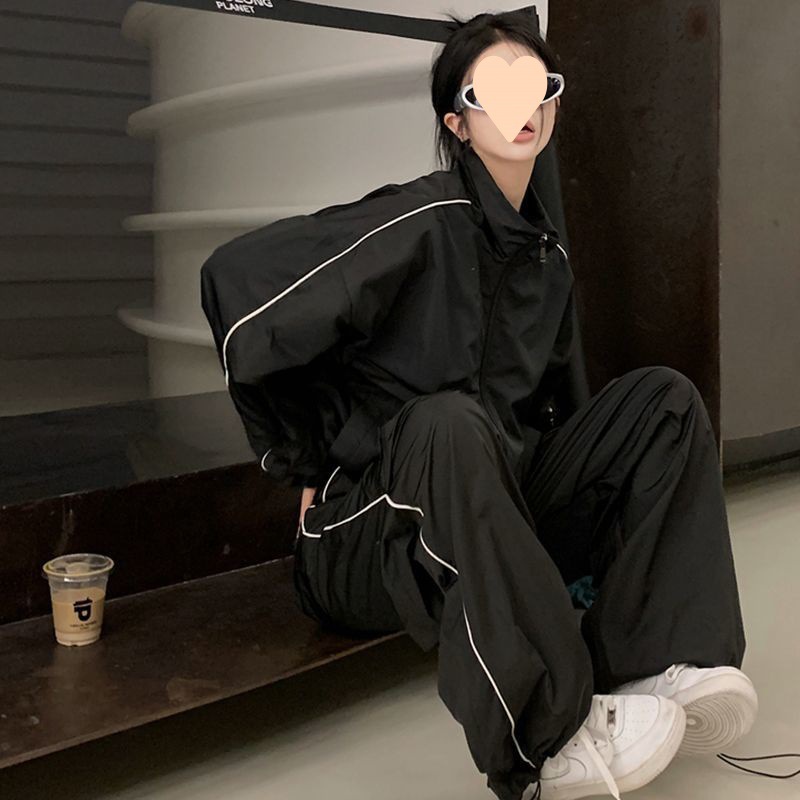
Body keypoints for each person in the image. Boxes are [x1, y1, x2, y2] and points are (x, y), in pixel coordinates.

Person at [200, 9, 756, 800]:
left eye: (535, 87)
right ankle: (544, 740)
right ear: (457, 123)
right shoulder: (421, 221)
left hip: (479, 512)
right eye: (492, 91)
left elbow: (558, 415)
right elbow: (236, 287)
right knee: (449, 422)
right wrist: (317, 456)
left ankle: (655, 659)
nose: (521, 107)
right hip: (360, 543)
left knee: (661, 402)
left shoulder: (544, 259)